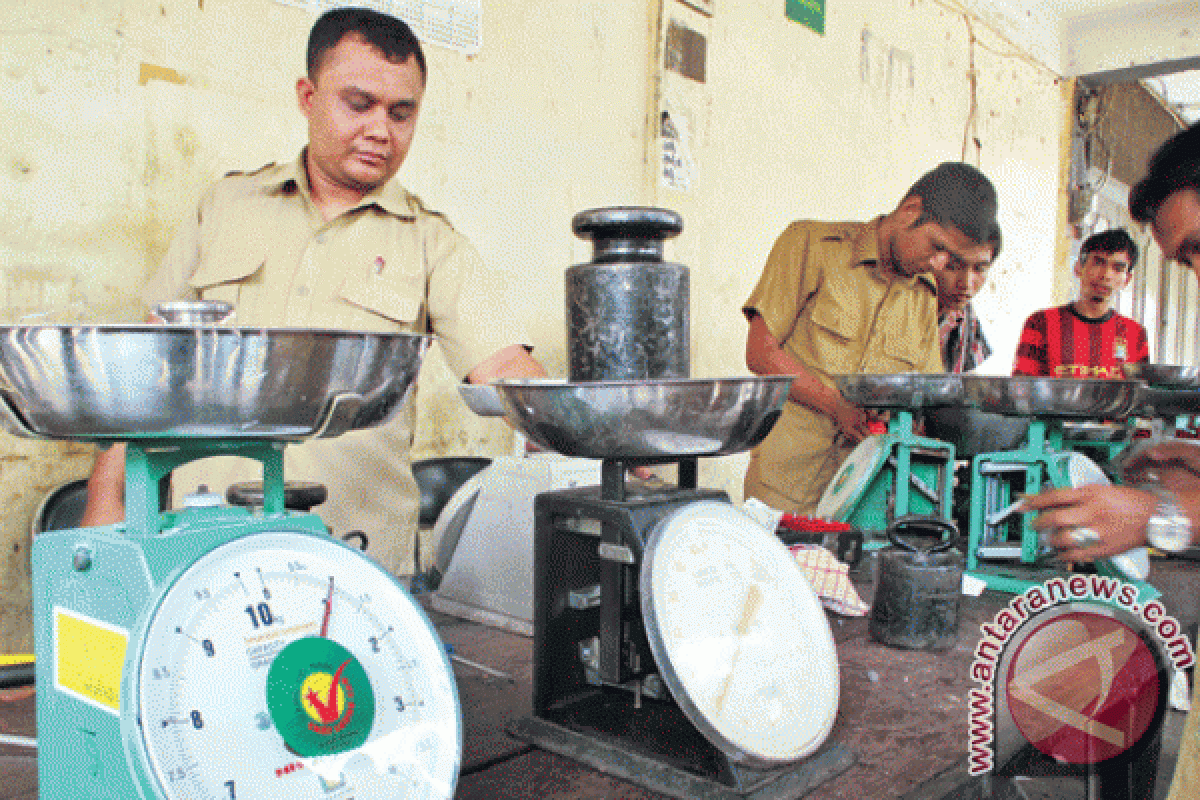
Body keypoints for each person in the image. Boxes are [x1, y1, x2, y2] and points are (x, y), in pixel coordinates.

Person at [80, 8, 545, 578]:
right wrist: (105, 505)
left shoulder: (430, 242)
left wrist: (591, 431)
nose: (381, 130)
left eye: (402, 113)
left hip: (357, 564)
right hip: (200, 555)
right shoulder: (223, 208)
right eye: (359, 104)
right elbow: (145, 368)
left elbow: (504, 369)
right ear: (308, 96)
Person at [1022, 122, 1200, 800]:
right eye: (1185, 263)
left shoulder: (1131, 336)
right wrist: (1189, 459)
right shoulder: (1045, 323)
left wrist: (1158, 517)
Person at [741, 162, 1002, 514]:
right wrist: (836, 407)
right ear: (911, 210)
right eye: (937, 246)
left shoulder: (923, 296)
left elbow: (922, 398)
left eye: (951, 259)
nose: (939, 265)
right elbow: (761, 353)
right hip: (785, 489)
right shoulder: (811, 245)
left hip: (865, 496)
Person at [1011, 228, 1149, 378]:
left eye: (1118, 268)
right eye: (1098, 263)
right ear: (1078, 268)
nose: (1106, 275)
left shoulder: (1136, 334)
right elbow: (1021, 388)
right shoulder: (1040, 323)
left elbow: (1141, 395)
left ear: (1127, 280)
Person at [936, 239, 998, 373]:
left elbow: (966, 380)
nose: (966, 284)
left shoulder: (962, 311)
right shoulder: (905, 306)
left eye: (980, 269)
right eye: (953, 266)